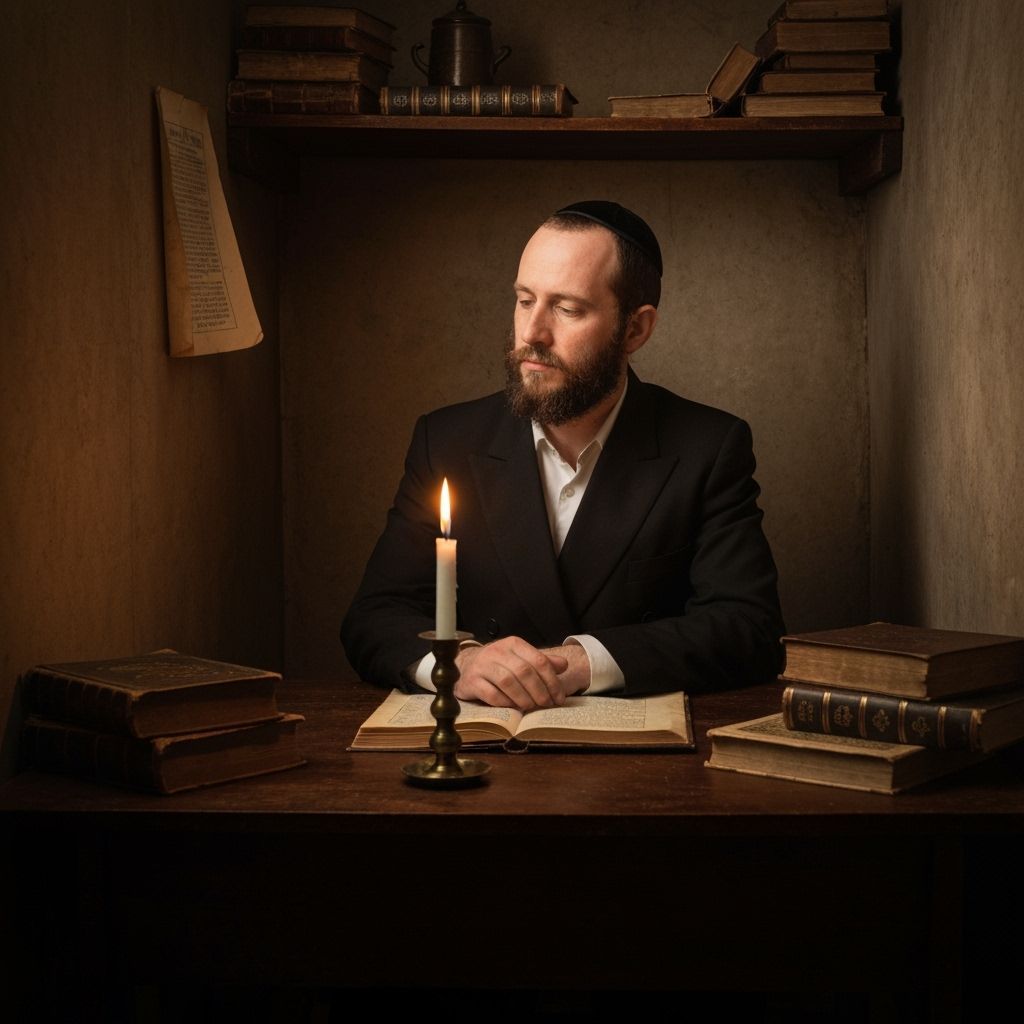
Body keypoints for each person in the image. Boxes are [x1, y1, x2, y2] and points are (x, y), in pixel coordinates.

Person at [341, 200, 784, 710]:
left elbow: (749, 628)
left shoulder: (709, 446)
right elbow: (374, 617)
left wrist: (579, 663)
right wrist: (459, 663)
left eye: (568, 309)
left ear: (635, 329)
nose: (532, 333)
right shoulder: (445, 439)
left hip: (640, 771)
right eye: (524, 300)